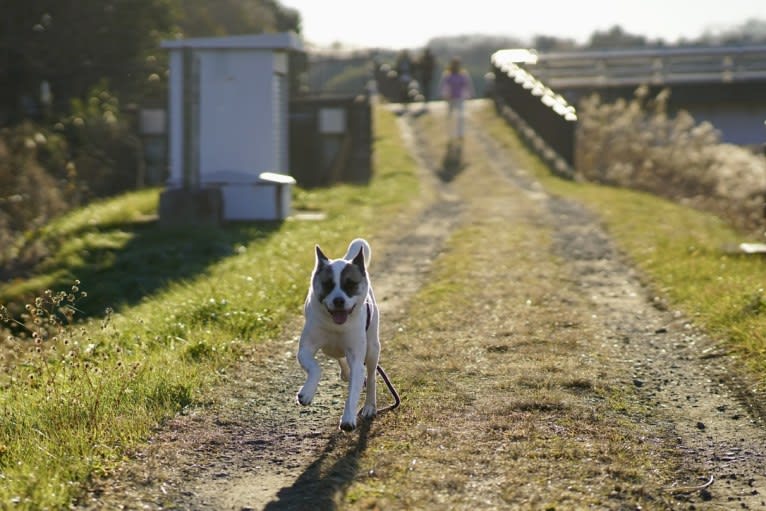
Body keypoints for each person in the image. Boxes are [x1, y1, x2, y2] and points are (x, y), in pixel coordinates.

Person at [440, 56, 475, 142]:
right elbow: (444, 86)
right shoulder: (447, 74)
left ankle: (460, 133)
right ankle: (450, 133)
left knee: (461, 116)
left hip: (460, 97)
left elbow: (468, 85)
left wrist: (470, 94)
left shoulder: (463, 74)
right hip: (450, 98)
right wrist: (444, 94)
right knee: (450, 116)